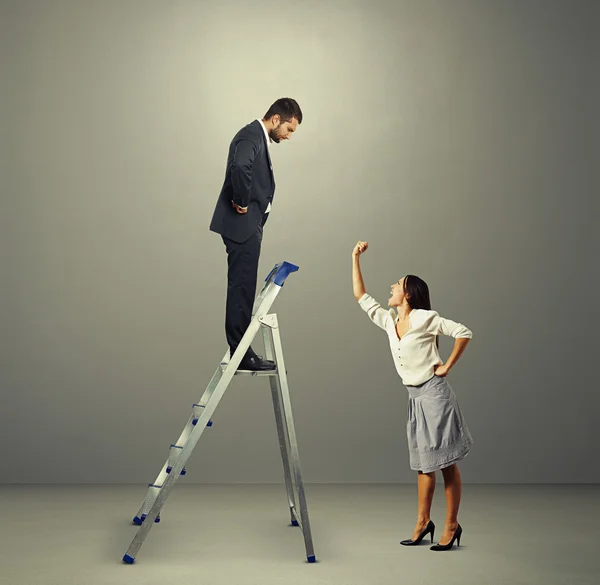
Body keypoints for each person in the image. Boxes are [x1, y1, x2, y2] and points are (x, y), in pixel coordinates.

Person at [351, 240, 473, 551]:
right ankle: (423, 523)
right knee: (423, 465)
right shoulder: (391, 323)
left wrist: (446, 366)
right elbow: (361, 297)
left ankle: (451, 525)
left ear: (408, 294)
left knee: (445, 463)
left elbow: (463, 332)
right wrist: (355, 258)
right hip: (415, 399)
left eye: (397, 284)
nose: (391, 286)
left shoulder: (422, 317)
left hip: (434, 396)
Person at [210, 98, 303, 371]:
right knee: (241, 288)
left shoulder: (257, 137)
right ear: (276, 119)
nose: (288, 136)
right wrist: (241, 200)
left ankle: (241, 350)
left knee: (244, 287)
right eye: (289, 129)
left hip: (248, 227)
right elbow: (240, 166)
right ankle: (241, 354)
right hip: (243, 228)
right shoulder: (251, 135)